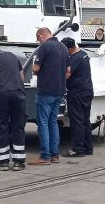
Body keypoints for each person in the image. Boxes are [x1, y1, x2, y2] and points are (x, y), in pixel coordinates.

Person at [29, 27, 69, 166]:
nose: (38, 42)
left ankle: (45, 156)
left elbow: (35, 68)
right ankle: (54, 155)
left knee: (43, 123)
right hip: (59, 91)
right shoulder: (64, 47)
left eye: (38, 39)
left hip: (45, 90)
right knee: (53, 122)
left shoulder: (44, 47)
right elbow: (68, 70)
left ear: (41, 36)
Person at [0, 49, 26, 171]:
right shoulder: (11, 55)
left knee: (0, 126)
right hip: (18, 92)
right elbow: (21, 75)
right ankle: (19, 162)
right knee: (18, 126)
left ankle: (3, 162)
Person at [61, 38, 94, 157]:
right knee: (85, 120)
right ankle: (88, 148)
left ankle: (78, 149)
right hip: (87, 91)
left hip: (77, 93)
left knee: (77, 122)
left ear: (69, 49)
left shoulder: (74, 58)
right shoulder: (84, 54)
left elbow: (67, 75)